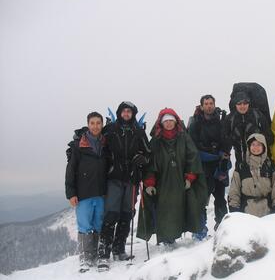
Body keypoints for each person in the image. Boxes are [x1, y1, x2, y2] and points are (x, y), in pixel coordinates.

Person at [137, 108, 208, 245]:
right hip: (163, 183)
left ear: (175, 122)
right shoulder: (156, 141)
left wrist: (190, 177)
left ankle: (194, 233)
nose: (169, 124)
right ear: (161, 123)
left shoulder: (184, 137)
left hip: (182, 181)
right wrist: (150, 183)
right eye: (166, 121)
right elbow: (150, 163)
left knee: (188, 207)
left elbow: (192, 157)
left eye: (171, 121)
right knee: (165, 210)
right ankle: (168, 239)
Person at [97, 101, 150, 270]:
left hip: (132, 178)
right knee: (111, 213)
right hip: (114, 178)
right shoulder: (110, 130)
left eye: (129, 111)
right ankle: (103, 254)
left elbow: (148, 154)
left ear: (133, 114)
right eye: (124, 111)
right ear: (120, 113)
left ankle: (119, 249)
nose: (126, 114)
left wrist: (142, 160)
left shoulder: (139, 132)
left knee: (127, 214)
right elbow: (100, 148)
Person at [65, 112, 107, 273]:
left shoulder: (105, 144)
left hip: (101, 193)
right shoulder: (79, 145)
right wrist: (71, 193)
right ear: (88, 125)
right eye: (92, 123)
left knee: (98, 224)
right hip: (83, 193)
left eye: (98, 123)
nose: (95, 126)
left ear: (102, 125)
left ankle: (95, 255)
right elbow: (71, 170)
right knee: (84, 225)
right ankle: (85, 258)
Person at [188, 95, 229, 235]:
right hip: (203, 166)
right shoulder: (195, 124)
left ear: (214, 104)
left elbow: (226, 142)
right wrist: (213, 153)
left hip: (219, 166)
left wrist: (223, 155)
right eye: (206, 104)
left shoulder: (221, 122)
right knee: (201, 199)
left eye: (211, 103)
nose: (209, 106)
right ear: (201, 106)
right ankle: (200, 230)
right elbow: (192, 146)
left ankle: (223, 227)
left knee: (220, 198)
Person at [228, 133, 275, 217]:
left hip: (269, 215)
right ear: (249, 147)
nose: (255, 147)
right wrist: (235, 212)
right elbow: (234, 191)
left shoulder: (271, 167)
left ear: (264, 147)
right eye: (253, 144)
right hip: (246, 216)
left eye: (259, 145)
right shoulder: (241, 168)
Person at [223, 91, 274, 168]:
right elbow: (224, 139)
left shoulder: (257, 115)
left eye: (245, 103)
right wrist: (234, 139)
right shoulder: (230, 118)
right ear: (235, 104)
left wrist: (257, 139)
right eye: (239, 104)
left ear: (249, 103)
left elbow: (270, 137)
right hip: (240, 160)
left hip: (260, 160)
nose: (242, 106)